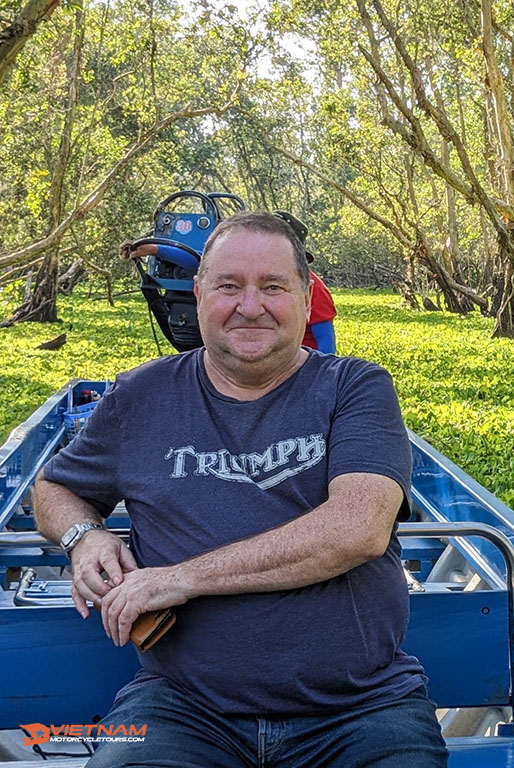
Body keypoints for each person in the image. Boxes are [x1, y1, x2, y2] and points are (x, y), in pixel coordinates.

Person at [37, 211, 448, 767]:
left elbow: (359, 529)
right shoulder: (141, 395)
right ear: (199, 294)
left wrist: (181, 579)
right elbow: (54, 487)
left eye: (272, 287)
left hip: (362, 709)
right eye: (229, 286)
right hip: (181, 709)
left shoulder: (355, 387)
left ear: (306, 300)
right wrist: (84, 536)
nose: (249, 306)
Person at [121, 211, 338, 354]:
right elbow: (199, 258)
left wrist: (318, 378)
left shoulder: (313, 287)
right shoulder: (239, 267)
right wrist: (153, 249)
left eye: (273, 287)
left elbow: (325, 341)